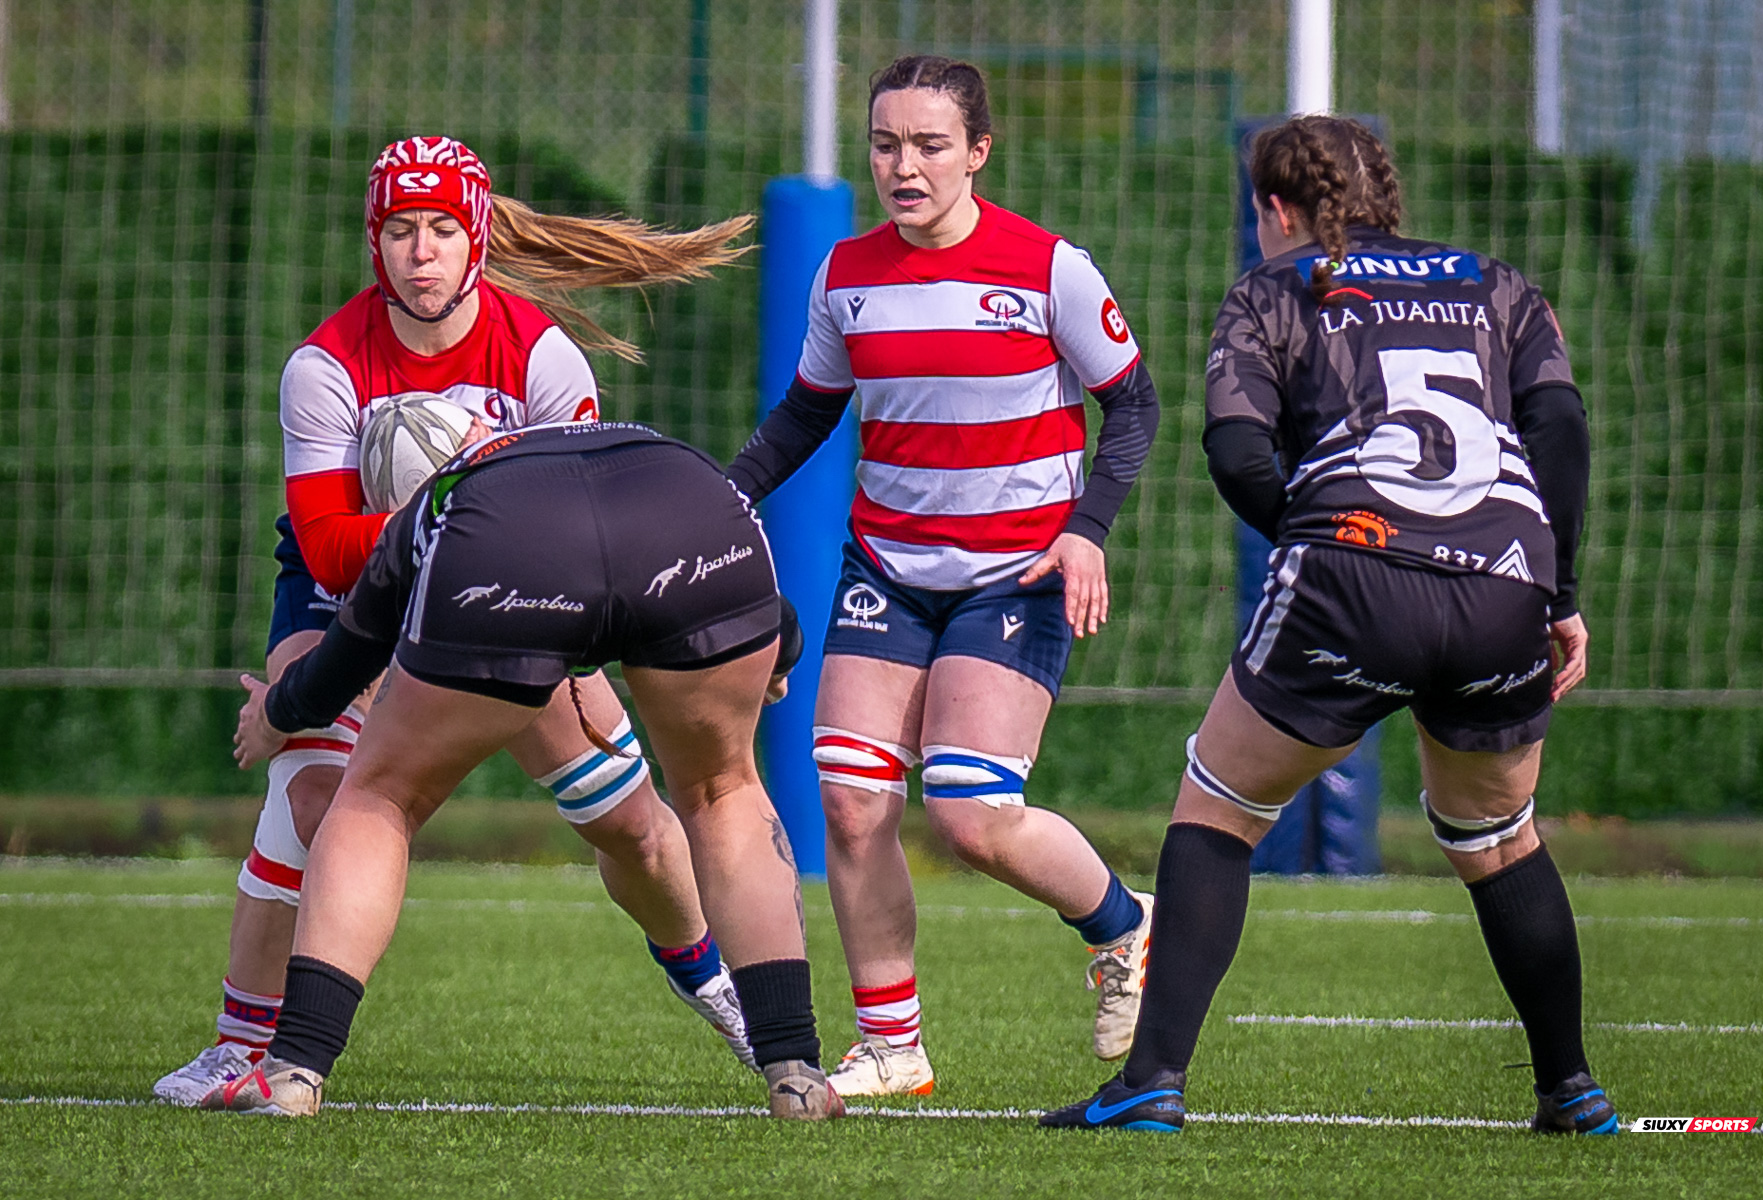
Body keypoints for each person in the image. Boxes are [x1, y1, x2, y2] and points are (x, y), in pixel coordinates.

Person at [1041, 115, 1617, 1135]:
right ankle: (1570, 1088)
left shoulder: (1273, 289)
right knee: (1498, 835)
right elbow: (1561, 434)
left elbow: (1234, 451)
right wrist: (1558, 593)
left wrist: (1322, 539)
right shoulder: (1499, 283)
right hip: (1503, 581)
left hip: (1352, 578)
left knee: (1218, 807)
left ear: (1274, 207)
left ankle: (1154, 1079)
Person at [154, 136, 759, 1104]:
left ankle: (720, 985)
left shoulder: (542, 358)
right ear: (374, 239)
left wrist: (571, 648)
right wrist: (448, 506)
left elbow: (579, 532)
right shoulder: (326, 365)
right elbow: (326, 547)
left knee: (635, 831)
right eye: (399, 229)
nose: (420, 251)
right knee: (313, 794)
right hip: (348, 591)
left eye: (440, 228)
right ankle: (243, 1046)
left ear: (475, 234)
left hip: (511, 594)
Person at [726, 56, 1161, 1097]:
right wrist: (724, 492)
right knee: (850, 796)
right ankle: (892, 1043)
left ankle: (1126, 926)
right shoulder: (847, 274)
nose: (903, 166)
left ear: (978, 151)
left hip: (1016, 573)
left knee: (969, 814)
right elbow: (806, 413)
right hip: (887, 566)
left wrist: (1089, 529)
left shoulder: (1049, 268)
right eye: (885, 145)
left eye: (928, 145)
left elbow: (1136, 405)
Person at [204, 420, 840, 1120]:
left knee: (381, 795)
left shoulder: (433, 509)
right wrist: (775, 655)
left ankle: (295, 1069)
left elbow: (337, 669)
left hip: (511, 554)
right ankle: (796, 1072)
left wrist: (276, 713)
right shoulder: (604, 439)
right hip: (693, 509)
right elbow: (767, 610)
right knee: (725, 792)